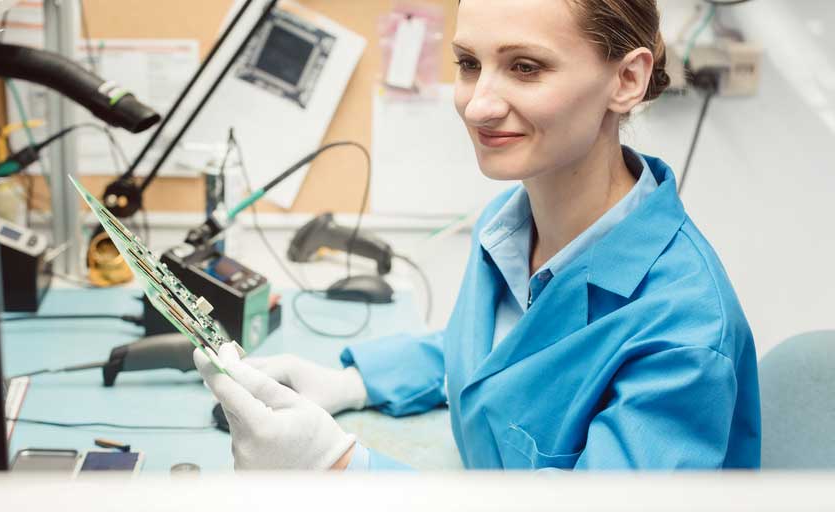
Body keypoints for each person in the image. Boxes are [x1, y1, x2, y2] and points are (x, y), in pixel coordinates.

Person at [194, 0, 761, 471]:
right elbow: (496, 355)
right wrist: (349, 383)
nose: (478, 104)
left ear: (627, 79)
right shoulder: (509, 225)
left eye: (526, 67)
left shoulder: (685, 331)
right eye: (469, 63)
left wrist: (338, 468)